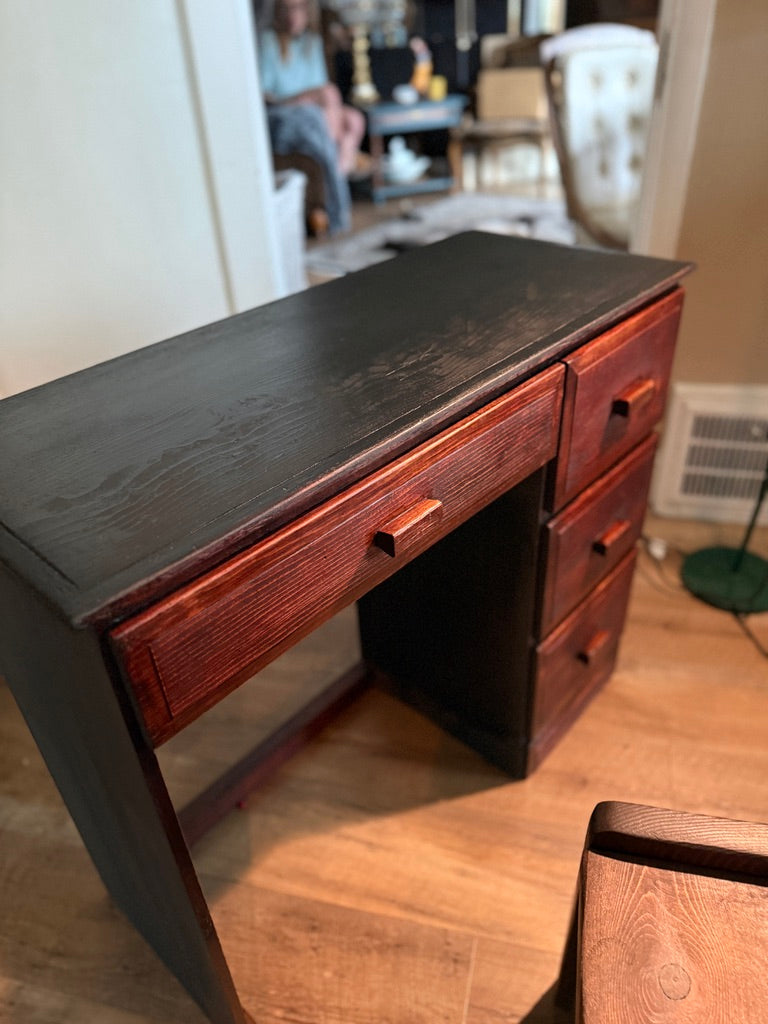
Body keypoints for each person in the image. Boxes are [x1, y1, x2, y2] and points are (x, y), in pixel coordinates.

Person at [259, 0, 366, 233]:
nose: (292, 15)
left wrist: (316, 97)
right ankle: (339, 177)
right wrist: (307, 97)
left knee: (355, 119)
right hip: (283, 110)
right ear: (278, 13)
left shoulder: (312, 43)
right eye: (287, 9)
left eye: (298, 8)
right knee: (328, 96)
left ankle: (336, 167)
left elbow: (319, 86)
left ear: (306, 12)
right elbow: (266, 94)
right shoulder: (269, 42)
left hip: (317, 109)